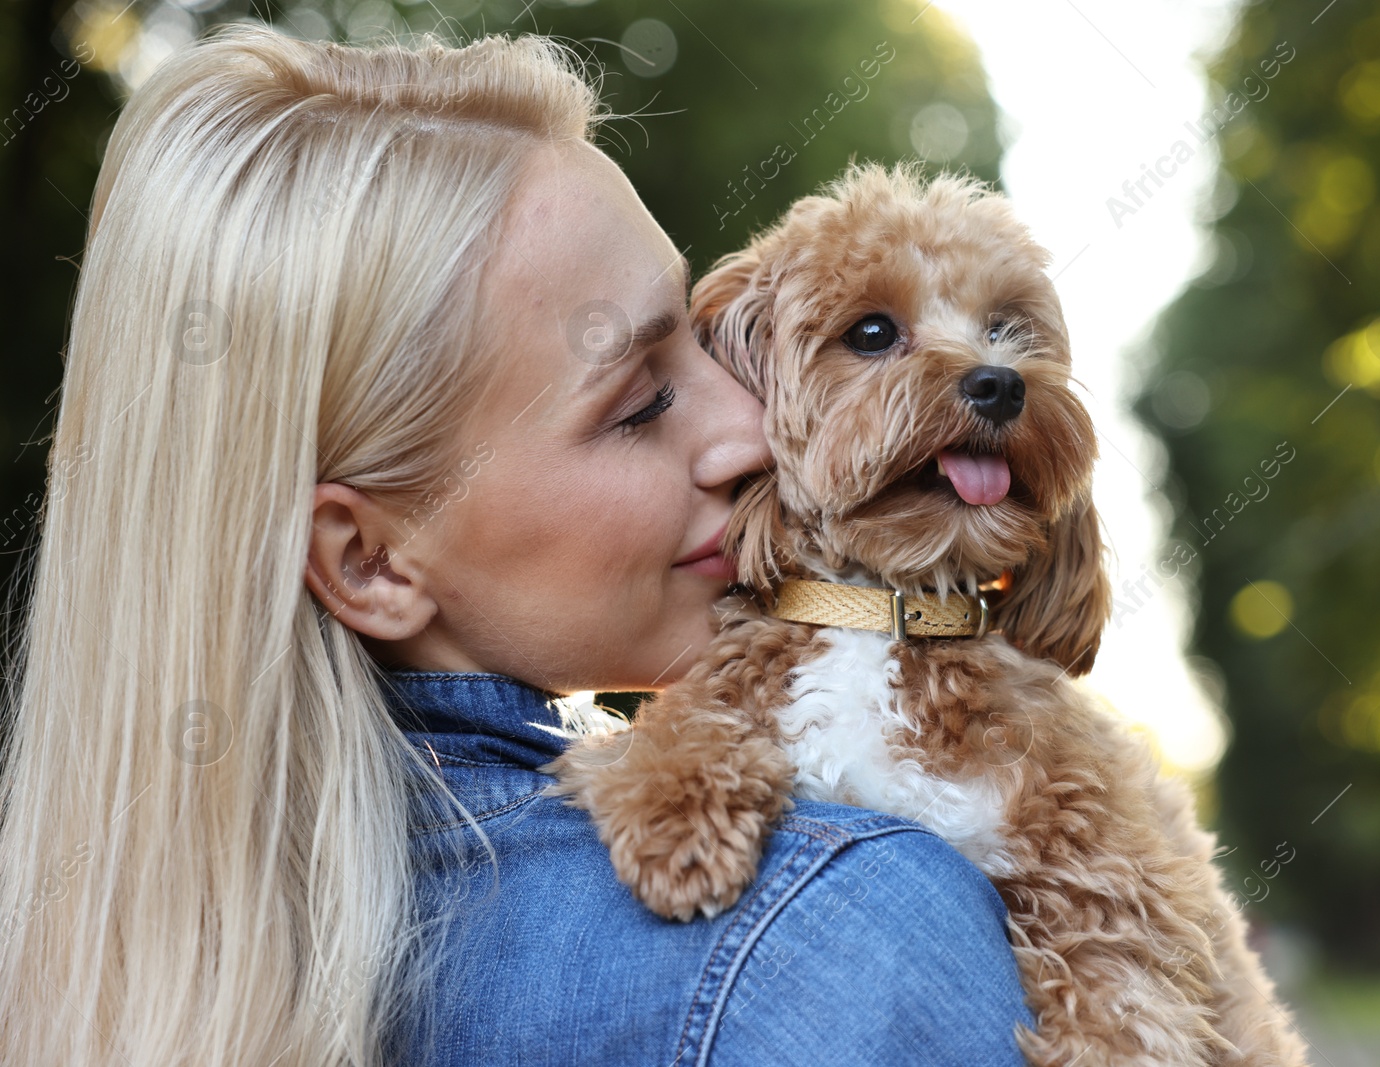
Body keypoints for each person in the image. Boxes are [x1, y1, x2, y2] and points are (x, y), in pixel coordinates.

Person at [0, 23, 1034, 1066]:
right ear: (369, 561)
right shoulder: (834, 933)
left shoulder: (79, 977)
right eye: (639, 403)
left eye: (704, 337)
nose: (748, 425)